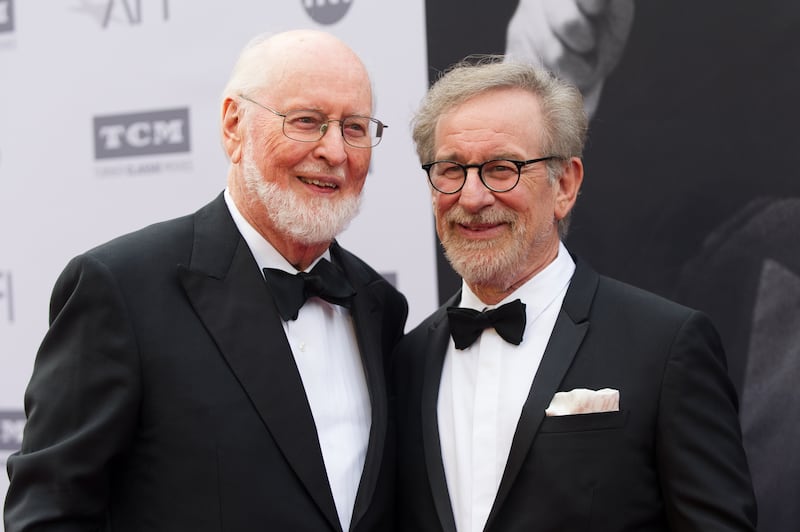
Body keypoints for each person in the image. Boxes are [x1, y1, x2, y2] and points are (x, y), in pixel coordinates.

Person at [4, 29, 407, 532]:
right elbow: (48, 515)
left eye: (354, 127)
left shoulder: (380, 307)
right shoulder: (122, 290)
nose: (335, 151)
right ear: (234, 126)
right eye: (306, 121)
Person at [394, 56, 757, 531]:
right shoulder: (407, 361)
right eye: (451, 170)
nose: (473, 197)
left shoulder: (665, 347)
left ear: (564, 184)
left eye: (502, 169)